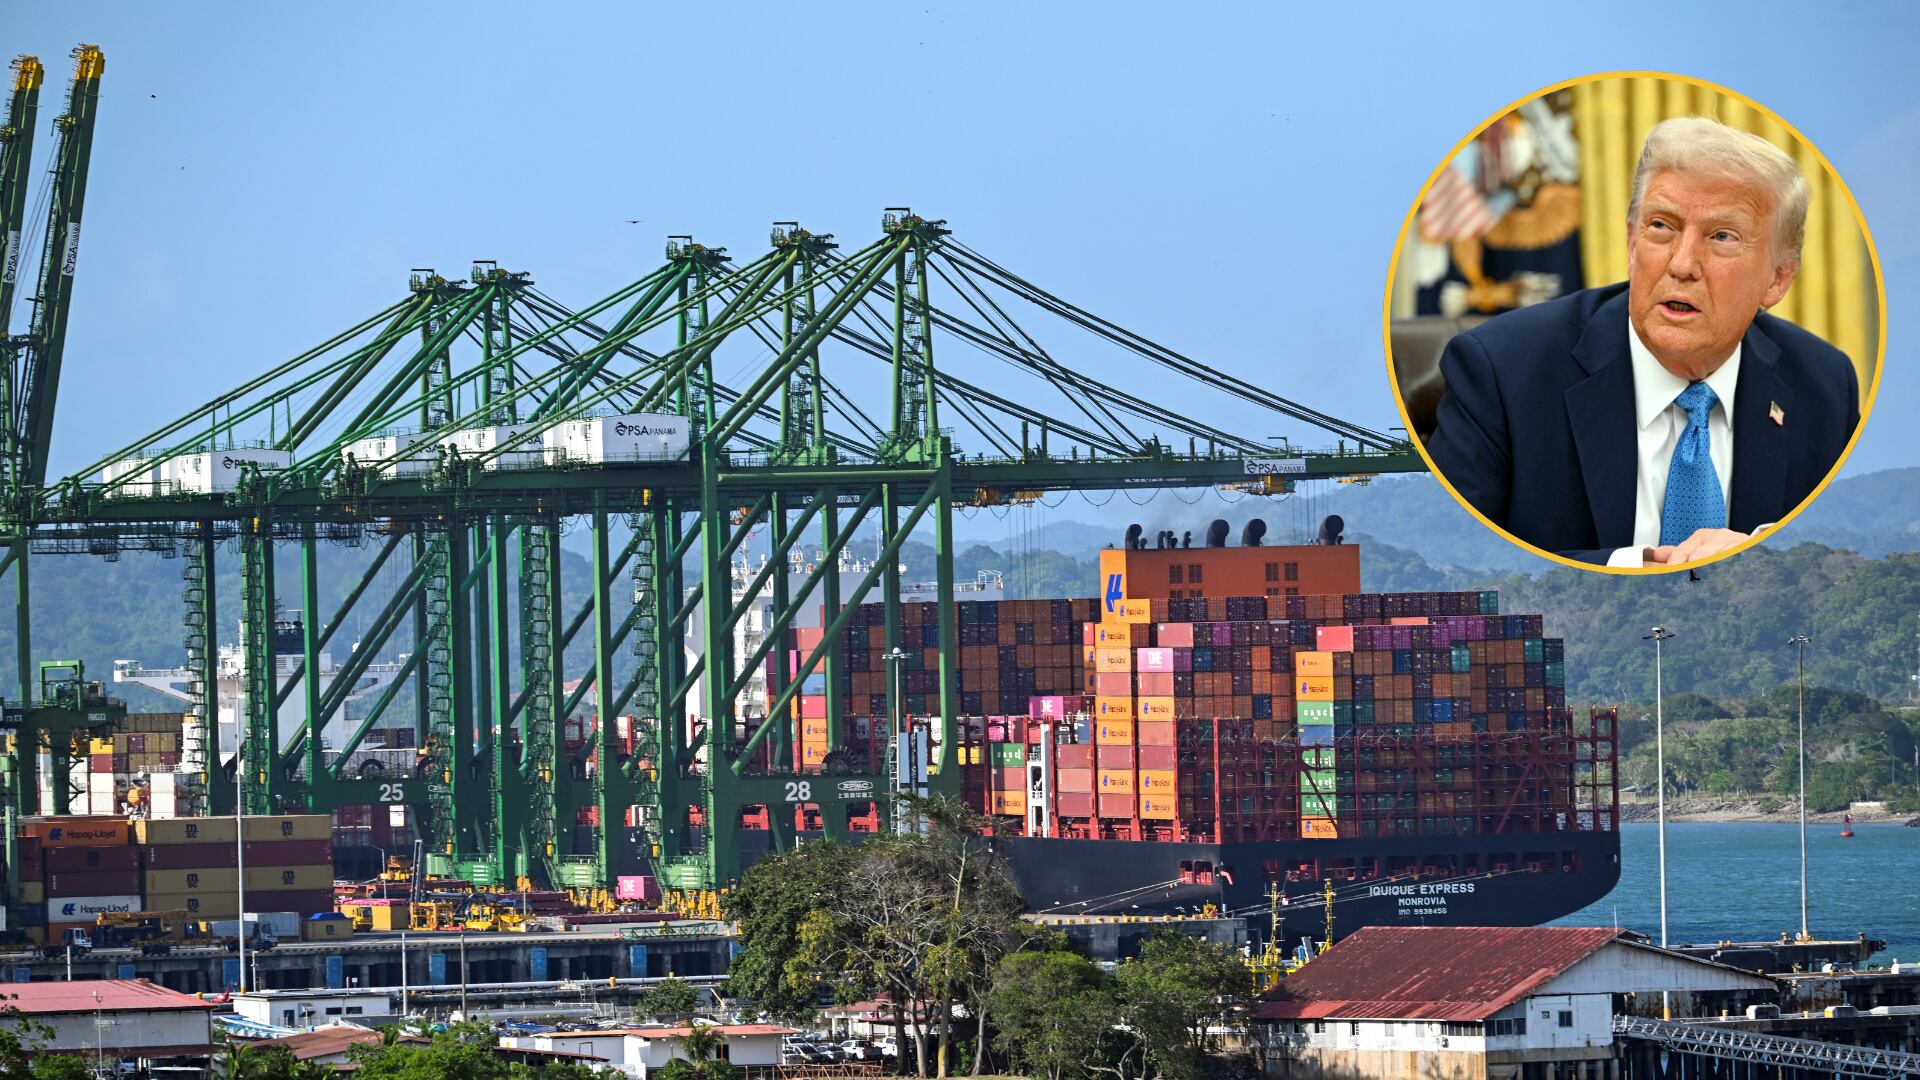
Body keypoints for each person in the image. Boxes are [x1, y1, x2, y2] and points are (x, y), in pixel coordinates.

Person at [1423, 116, 1860, 567]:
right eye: (1662, 226)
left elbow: (1871, 545)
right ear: (1632, 243)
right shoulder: (1502, 371)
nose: (1682, 264)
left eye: (1722, 236)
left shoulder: (1826, 386)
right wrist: (1634, 569)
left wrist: (1768, 552)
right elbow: (1442, 558)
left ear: (1778, 278)